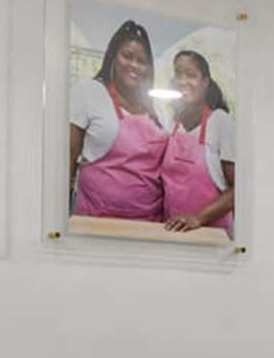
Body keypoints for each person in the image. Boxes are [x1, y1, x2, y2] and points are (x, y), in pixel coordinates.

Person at [68, 18, 223, 229]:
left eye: (142, 61)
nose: (135, 65)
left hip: (151, 226)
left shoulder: (157, 109)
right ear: (113, 56)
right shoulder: (89, 92)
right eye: (127, 56)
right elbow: (66, 162)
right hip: (96, 224)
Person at [164, 46, 239, 234]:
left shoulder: (220, 121)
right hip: (172, 231)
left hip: (212, 235)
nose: (182, 81)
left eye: (190, 75)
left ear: (205, 81)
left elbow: (240, 188)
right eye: (178, 75)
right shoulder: (171, 123)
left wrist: (198, 218)